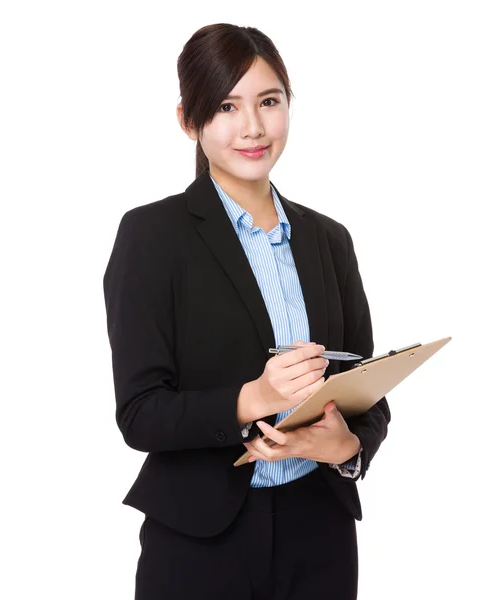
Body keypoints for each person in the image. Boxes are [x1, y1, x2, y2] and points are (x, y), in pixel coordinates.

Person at [102, 23, 391, 600]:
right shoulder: (152, 236)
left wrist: (345, 448)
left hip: (321, 533)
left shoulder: (329, 239)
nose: (254, 127)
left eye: (268, 101)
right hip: (201, 542)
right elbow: (140, 414)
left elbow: (367, 392)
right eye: (227, 106)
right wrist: (253, 399)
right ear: (189, 120)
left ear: (289, 103)